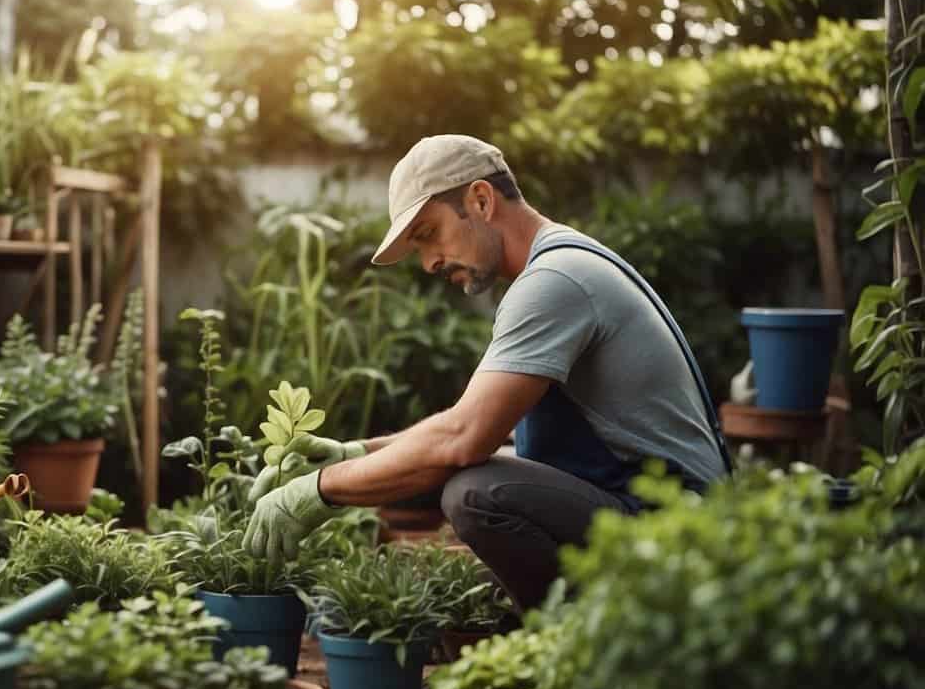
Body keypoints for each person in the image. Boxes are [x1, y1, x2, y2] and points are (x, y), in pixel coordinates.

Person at [243, 134, 730, 610]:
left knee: (477, 495)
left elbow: (463, 437)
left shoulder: (553, 282)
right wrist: (359, 452)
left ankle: (579, 641)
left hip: (677, 534)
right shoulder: (562, 263)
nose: (430, 262)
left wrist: (319, 489)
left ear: (480, 200)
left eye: (428, 234)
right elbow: (479, 429)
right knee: (481, 479)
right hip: (658, 512)